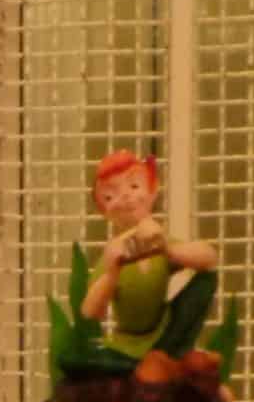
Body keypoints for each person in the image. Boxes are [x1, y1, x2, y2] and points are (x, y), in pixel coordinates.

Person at [79, 150, 217, 359]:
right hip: (126, 343)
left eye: (134, 186)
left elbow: (210, 258)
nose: (126, 196)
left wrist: (167, 250)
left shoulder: (159, 242)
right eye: (110, 196)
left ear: (153, 191)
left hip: (163, 333)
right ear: (104, 211)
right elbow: (90, 312)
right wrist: (112, 273)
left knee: (206, 281)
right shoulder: (114, 253)